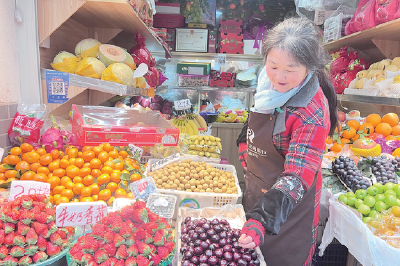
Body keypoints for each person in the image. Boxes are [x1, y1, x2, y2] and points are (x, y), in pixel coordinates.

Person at [236, 17, 339, 266]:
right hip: (257, 196)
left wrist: (262, 219)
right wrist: (244, 147)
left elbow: (296, 177)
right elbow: (256, 117)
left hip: (289, 212)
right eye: (273, 66)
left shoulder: (311, 113)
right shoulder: (267, 83)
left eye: (291, 69)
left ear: (309, 68)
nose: (279, 77)